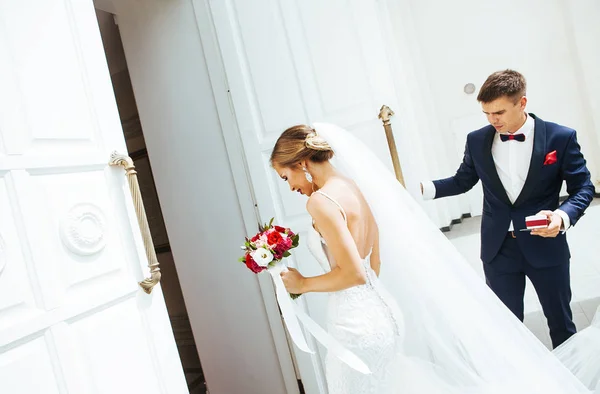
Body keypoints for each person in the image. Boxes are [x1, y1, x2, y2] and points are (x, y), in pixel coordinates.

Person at [270, 122, 599, 393]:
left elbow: (353, 274)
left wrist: (302, 283)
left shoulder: (321, 202)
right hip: (383, 315)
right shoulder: (351, 186)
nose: (290, 187)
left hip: (356, 325)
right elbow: (375, 262)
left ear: (301, 163)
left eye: (286, 177)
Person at [420, 69, 595, 348]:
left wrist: (562, 217)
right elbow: (462, 181)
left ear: (522, 103)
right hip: (498, 249)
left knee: (561, 324)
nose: (492, 120)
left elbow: (583, 187)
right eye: (487, 114)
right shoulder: (477, 140)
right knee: (507, 330)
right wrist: (422, 189)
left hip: (546, 245)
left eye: (499, 112)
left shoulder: (560, 138)